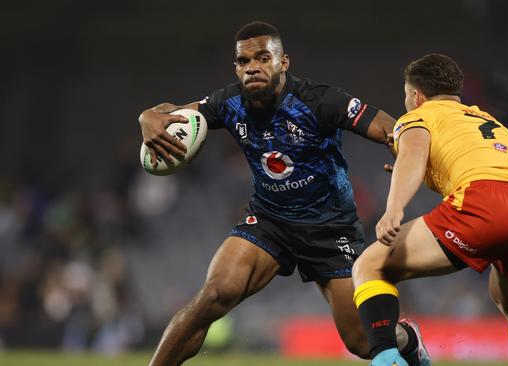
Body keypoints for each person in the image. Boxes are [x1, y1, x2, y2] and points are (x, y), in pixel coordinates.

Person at [138, 21, 430, 366]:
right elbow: (168, 115)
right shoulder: (228, 102)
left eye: (263, 58)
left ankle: (409, 340)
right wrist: (147, 117)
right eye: (244, 62)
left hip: (330, 230)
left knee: (363, 343)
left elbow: (389, 127)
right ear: (236, 67)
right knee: (213, 296)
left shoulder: (319, 100)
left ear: (283, 62)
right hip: (269, 221)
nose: (252, 68)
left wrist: (407, 153)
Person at [352, 53, 508, 366]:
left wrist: (393, 210)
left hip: (484, 203)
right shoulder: (486, 119)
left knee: (370, 265)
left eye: (406, 95)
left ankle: (387, 359)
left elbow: (414, 154)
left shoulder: (420, 115)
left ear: (416, 95)